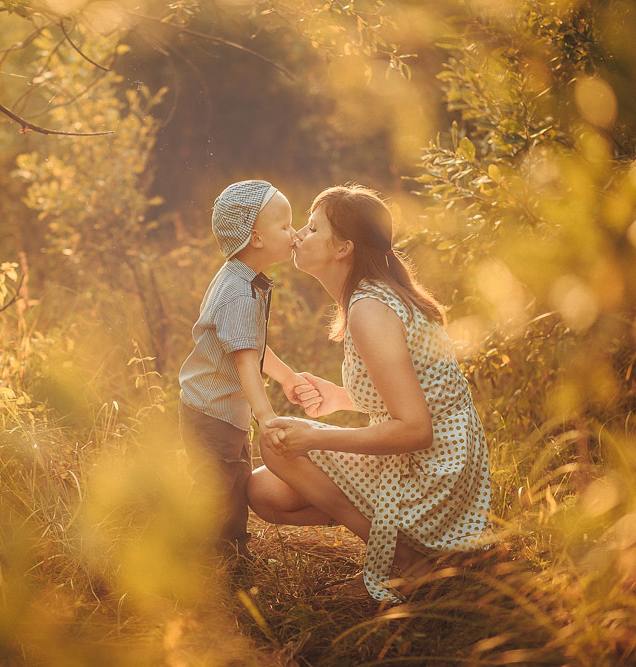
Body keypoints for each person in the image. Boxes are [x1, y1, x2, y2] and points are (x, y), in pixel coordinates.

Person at [247, 183, 491, 604]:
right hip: (442, 464)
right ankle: (406, 545)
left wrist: (316, 435)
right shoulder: (370, 299)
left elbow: (416, 429)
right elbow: (411, 394)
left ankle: (407, 561)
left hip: (434, 476)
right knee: (265, 493)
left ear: (343, 248)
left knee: (280, 447)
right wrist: (339, 398)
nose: (299, 235)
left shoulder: (370, 310)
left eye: (312, 227)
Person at [178, 179, 318, 563]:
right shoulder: (238, 293)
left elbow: (252, 346)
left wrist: (287, 376)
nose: (294, 233)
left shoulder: (245, 281)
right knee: (218, 486)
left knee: (236, 479)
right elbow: (244, 360)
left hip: (224, 410)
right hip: (212, 412)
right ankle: (205, 557)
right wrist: (266, 415)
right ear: (256, 238)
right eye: (285, 225)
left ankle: (230, 551)